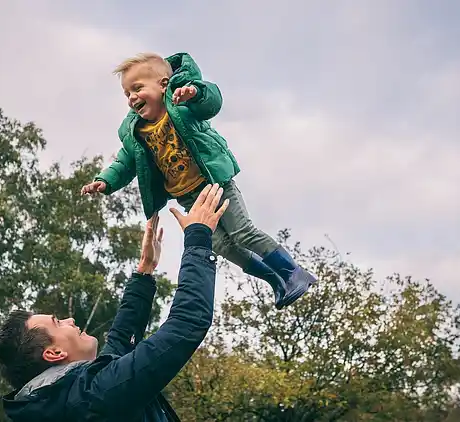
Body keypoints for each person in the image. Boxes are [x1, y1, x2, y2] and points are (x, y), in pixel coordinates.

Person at [81, 52, 317, 309]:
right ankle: (276, 280)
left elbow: (212, 102)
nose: (132, 98)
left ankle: (294, 272)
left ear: (163, 85)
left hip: (215, 184)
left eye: (137, 88)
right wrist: (106, 181)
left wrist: (195, 93)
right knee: (221, 245)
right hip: (188, 197)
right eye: (127, 94)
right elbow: (125, 162)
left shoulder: (182, 101)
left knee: (242, 232)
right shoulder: (135, 131)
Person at [0, 184, 230, 421]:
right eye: (58, 323)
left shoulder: (71, 399)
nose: (70, 320)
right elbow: (186, 325)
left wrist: (144, 273)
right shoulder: (92, 397)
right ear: (54, 353)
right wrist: (198, 237)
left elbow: (119, 344)